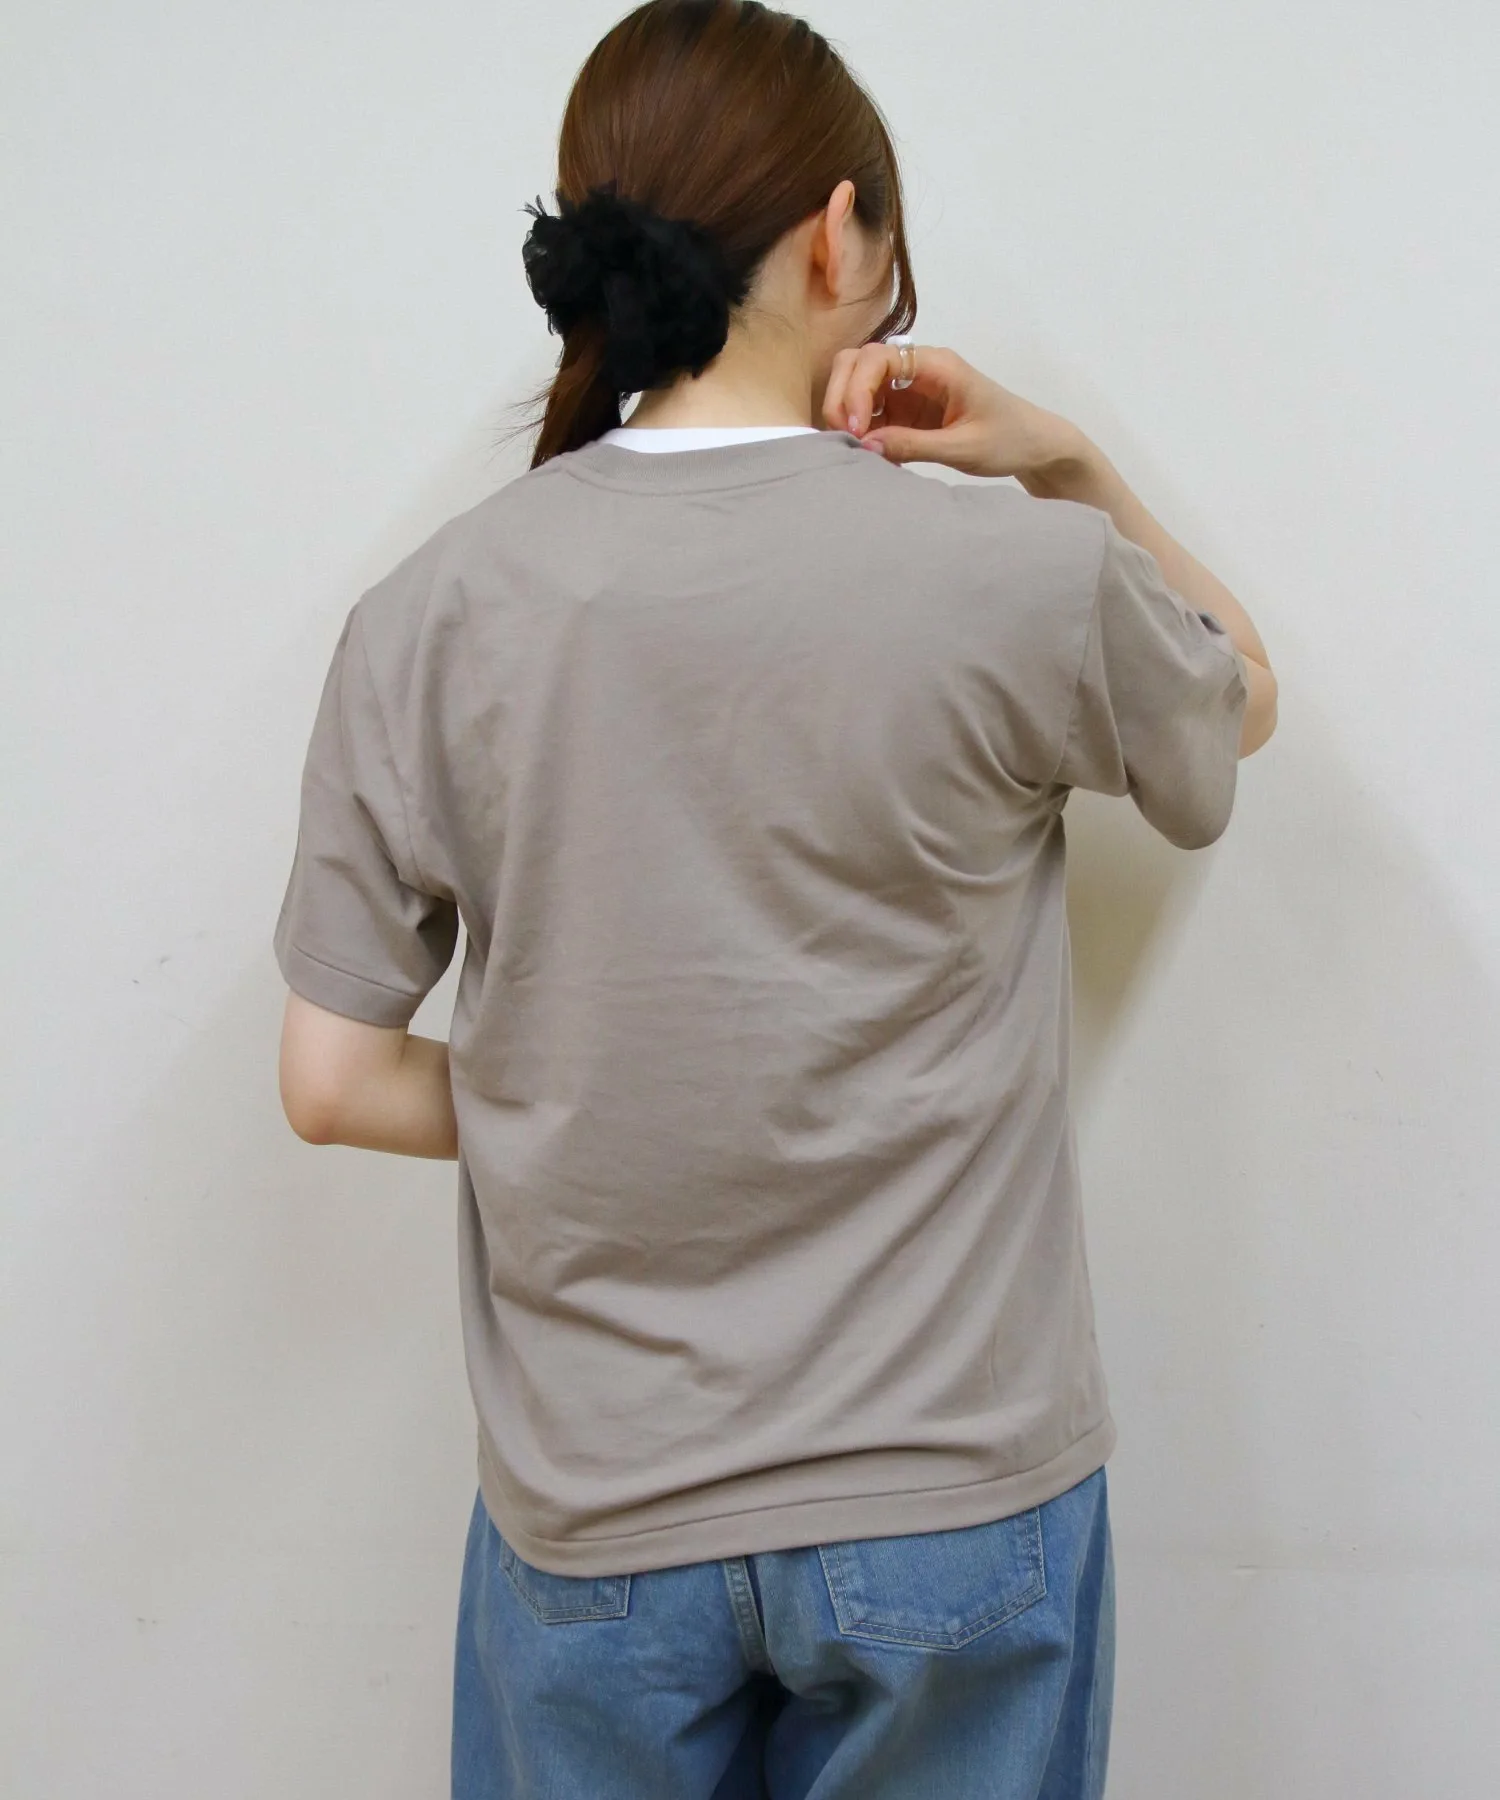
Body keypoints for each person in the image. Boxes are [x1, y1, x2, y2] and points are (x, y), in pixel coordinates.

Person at [271, 2, 1278, 1795]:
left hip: (596, 1521)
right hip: (950, 1501)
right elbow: (1241, 698)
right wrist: (1060, 460)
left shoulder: (427, 614)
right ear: (837, 235)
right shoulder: (1020, 573)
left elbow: (331, 1080)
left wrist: (580, 1084)